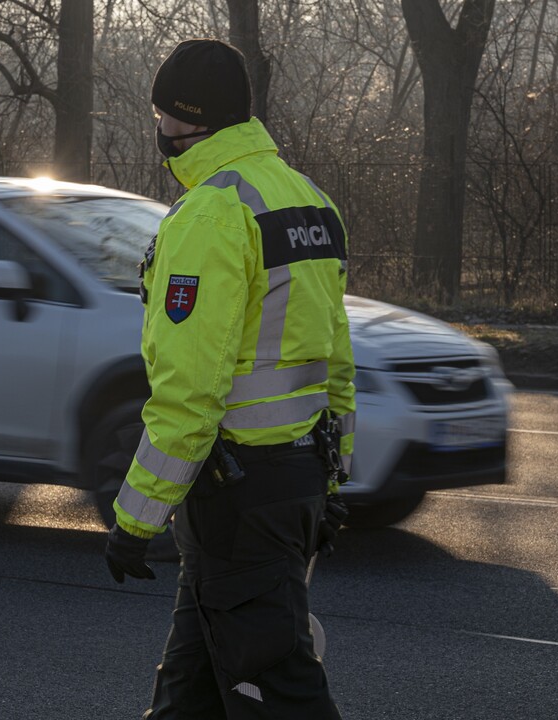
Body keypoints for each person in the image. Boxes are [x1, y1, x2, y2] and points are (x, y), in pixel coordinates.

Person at [102, 38, 356, 719]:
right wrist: (331, 478)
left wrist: (136, 515)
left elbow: (191, 391)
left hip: (238, 496)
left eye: (162, 116)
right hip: (292, 480)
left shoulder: (212, 215)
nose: (157, 130)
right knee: (190, 692)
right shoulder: (306, 200)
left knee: (278, 694)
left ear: (190, 123)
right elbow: (335, 363)